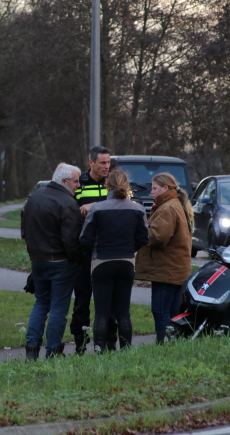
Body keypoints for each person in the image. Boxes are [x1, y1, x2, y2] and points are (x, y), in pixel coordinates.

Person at [79, 170, 149, 353]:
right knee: (123, 311)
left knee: (102, 311)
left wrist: (95, 250)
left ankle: (100, 349)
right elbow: (143, 238)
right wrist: (128, 249)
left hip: (101, 262)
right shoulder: (137, 209)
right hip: (126, 262)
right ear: (127, 186)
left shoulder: (97, 209)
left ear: (107, 186)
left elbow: (84, 238)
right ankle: (125, 350)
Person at [22, 163, 83, 360]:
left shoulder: (35, 197)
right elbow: (71, 240)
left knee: (41, 304)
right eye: (75, 181)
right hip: (61, 262)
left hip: (38, 260)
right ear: (64, 181)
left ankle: (31, 348)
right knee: (58, 308)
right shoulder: (67, 203)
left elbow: (25, 231)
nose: (78, 185)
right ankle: (53, 350)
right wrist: (79, 260)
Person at [134, 172, 194, 344]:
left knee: (161, 311)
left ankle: (163, 346)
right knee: (173, 312)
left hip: (165, 270)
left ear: (165, 188)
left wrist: (142, 230)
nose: (151, 192)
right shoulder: (175, 204)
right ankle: (173, 346)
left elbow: (158, 238)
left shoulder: (167, 208)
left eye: (154, 188)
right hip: (176, 269)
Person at [71, 145, 116, 354]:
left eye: (109, 162)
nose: (107, 166)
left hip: (108, 248)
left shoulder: (114, 182)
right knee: (82, 300)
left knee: (109, 300)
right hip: (85, 249)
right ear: (91, 163)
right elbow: (69, 212)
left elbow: (126, 200)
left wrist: (95, 205)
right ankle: (80, 345)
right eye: (103, 163)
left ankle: (109, 344)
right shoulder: (78, 183)